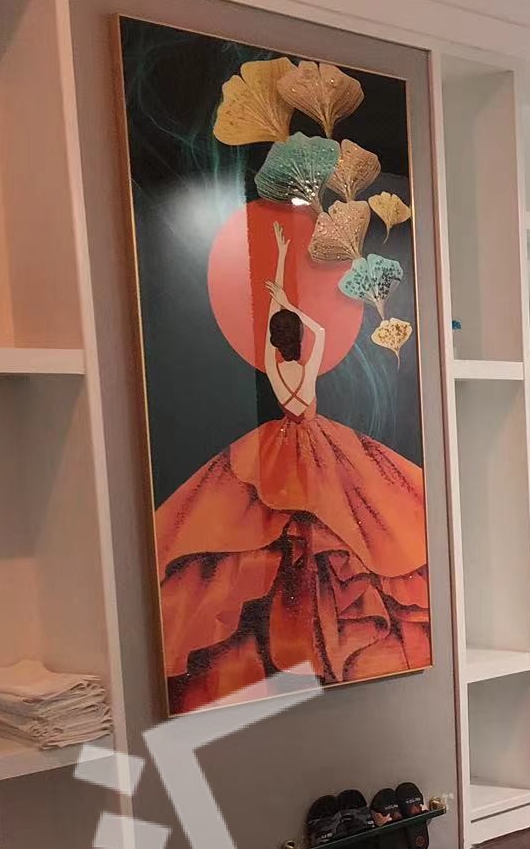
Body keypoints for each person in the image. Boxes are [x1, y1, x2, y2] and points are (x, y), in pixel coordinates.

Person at [154, 221, 430, 713]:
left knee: (280, 526)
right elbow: (316, 332)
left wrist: (280, 292)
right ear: (299, 338)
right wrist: (290, 300)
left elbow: (274, 333)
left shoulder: (276, 368)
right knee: (339, 522)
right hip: (317, 441)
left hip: (282, 443)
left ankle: (299, 640)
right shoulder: (308, 363)